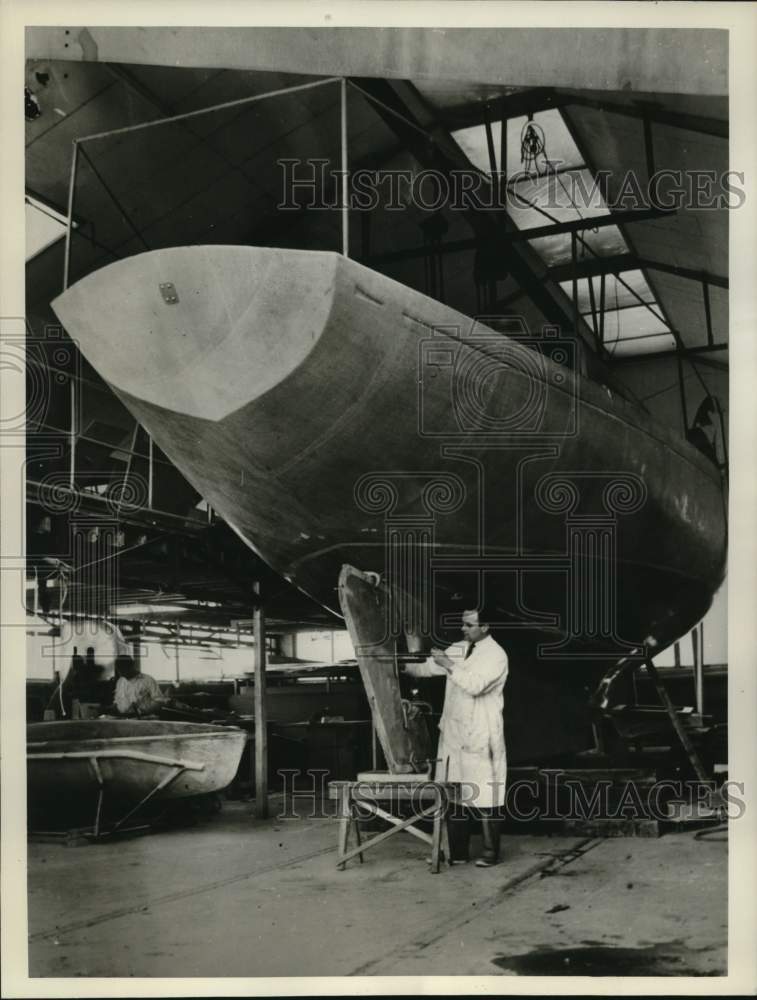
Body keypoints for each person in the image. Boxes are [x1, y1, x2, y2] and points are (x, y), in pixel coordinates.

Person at [405, 608, 508, 867]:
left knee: (486, 795)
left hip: (480, 733)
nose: (463, 628)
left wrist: (448, 664)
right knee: (452, 793)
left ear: (485, 627)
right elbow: (426, 669)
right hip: (454, 733)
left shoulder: (496, 655)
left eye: (469, 625)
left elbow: (475, 685)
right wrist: (396, 663)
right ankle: (458, 853)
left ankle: (490, 853)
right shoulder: (460, 648)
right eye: (463, 624)